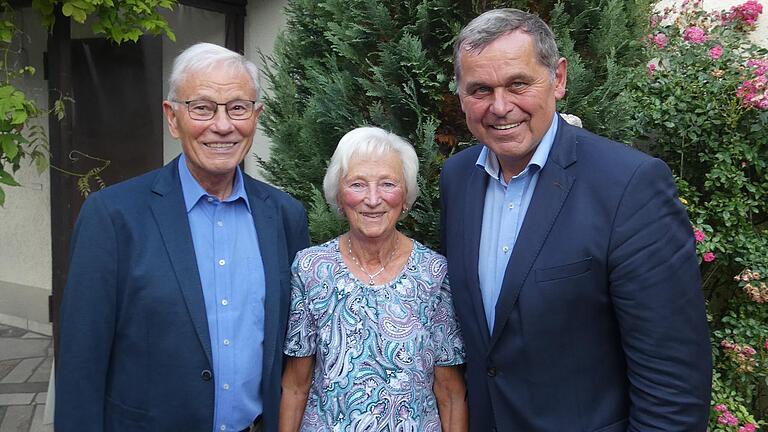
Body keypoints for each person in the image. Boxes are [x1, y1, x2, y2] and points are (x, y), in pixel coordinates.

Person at [440, 8, 712, 431]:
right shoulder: (457, 179)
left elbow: (672, 385)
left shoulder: (629, 186)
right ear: (461, 95)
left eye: (518, 84)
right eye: (480, 89)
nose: (499, 106)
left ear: (559, 79)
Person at [55, 42, 309, 432]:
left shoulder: (285, 216)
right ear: (173, 118)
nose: (223, 125)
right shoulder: (112, 217)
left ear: (256, 117)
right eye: (203, 108)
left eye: (238, 107)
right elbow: (80, 365)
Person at [279, 126, 468, 432]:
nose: (372, 199)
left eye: (387, 184)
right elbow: (296, 385)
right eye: (357, 184)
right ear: (340, 196)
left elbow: (450, 393)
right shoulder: (311, 268)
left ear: (405, 196)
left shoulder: (434, 273)